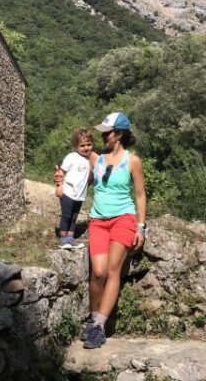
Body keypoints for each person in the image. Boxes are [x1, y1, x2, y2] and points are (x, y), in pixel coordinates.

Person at [55, 112, 147, 350]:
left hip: (124, 219)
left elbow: (139, 195)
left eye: (106, 132)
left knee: (113, 270)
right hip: (98, 220)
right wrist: (59, 180)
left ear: (119, 134)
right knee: (98, 272)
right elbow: (73, 162)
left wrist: (141, 227)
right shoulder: (95, 159)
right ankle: (94, 318)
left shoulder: (132, 161)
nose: (102, 136)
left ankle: (98, 326)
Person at [55, 128, 94, 249]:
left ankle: (70, 239)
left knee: (74, 217)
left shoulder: (89, 160)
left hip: (80, 195)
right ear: (76, 146)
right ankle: (63, 239)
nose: (86, 148)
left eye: (89, 144)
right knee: (66, 216)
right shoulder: (71, 157)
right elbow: (60, 173)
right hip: (68, 193)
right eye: (82, 145)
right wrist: (59, 186)